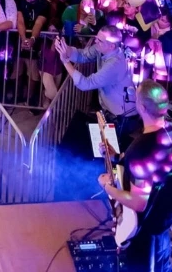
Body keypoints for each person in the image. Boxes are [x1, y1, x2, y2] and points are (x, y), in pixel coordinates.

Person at [98, 80, 172, 272]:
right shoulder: (168, 134)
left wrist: (107, 187)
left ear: (141, 107)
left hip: (143, 238)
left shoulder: (141, 150)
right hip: (162, 231)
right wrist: (117, 157)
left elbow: (138, 202)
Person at [55, 26, 137, 148]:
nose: (95, 42)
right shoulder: (102, 49)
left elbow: (85, 84)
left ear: (111, 46)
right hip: (111, 112)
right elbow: (83, 55)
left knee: (107, 153)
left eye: (100, 41)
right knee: (94, 146)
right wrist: (65, 49)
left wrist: (65, 62)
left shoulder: (115, 64)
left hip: (122, 118)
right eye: (96, 38)